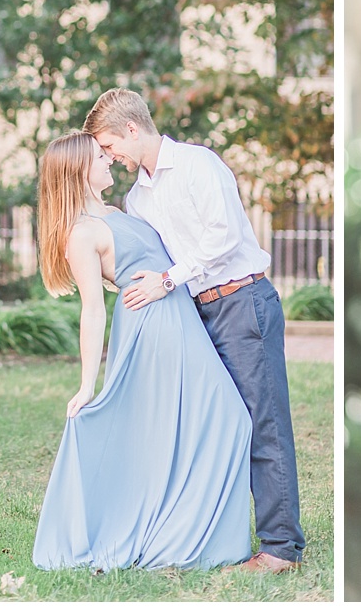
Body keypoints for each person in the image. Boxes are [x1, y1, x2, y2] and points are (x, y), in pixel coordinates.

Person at [85, 88, 306, 574]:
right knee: (218, 424)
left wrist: (166, 281)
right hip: (197, 312)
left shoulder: (197, 165)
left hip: (241, 301)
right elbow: (152, 259)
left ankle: (280, 548)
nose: (109, 156)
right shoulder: (135, 198)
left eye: (109, 145)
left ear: (132, 129)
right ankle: (204, 532)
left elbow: (222, 237)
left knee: (262, 423)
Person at [30, 131, 253, 571]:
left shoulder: (120, 210)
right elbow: (93, 311)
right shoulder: (81, 233)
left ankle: (190, 530)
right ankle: (183, 538)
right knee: (229, 417)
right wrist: (85, 385)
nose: (109, 161)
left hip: (179, 316)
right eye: (99, 157)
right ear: (79, 169)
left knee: (224, 420)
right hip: (154, 330)